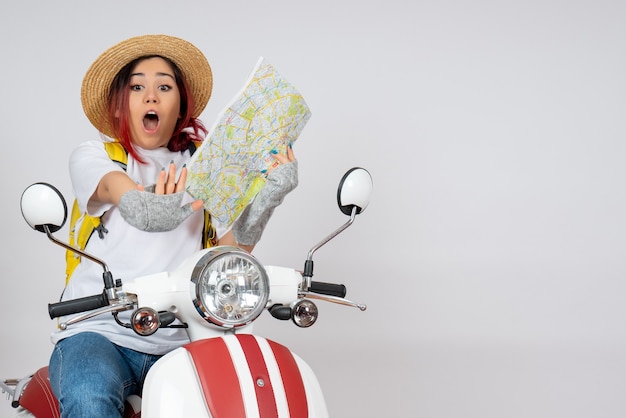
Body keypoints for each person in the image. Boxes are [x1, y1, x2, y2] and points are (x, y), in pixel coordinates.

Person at [48, 34, 298, 417]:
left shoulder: (203, 163)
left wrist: (267, 197)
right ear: (119, 105)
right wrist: (165, 203)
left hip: (183, 334)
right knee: (89, 399)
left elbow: (226, 257)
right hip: (99, 331)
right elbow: (130, 200)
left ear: (180, 102)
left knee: (240, 399)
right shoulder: (97, 155)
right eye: (137, 87)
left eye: (164, 86)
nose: (151, 96)